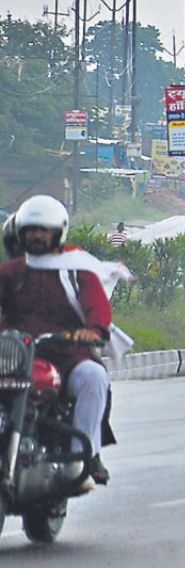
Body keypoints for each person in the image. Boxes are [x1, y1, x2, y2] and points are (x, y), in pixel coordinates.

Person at [0, 196, 116, 490]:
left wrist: (93, 330)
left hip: (68, 357)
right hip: (16, 358)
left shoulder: (76, 269)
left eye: (43, 230)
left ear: (58, 232)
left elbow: (96, 305)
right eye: (30, 230)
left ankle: (85, 458)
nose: (36, 236)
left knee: (95, 377)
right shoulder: (11, 272)